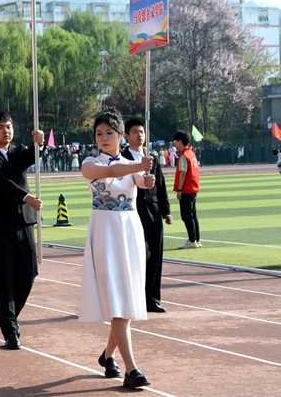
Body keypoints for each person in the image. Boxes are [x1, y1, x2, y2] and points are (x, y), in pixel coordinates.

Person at [80, 109, 155, 389]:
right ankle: (131, 370)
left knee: (127, 300)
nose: (104, 138)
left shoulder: (133, 164)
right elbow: (111, 171)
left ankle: (108, 355)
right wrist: (138, 166)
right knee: (117, 299)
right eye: (99, 133)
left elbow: (141, 182)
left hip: (129, 230)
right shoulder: (90, 163)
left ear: (121, 136)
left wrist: (147, 178)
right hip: (105, 232)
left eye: (109, 133)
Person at [0, 111, 44, 350]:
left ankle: (11, 317)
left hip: (23, 222)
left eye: (9, 126)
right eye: (0, 127)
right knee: (4, 279)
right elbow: (0, 182)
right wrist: (26, 197)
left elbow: (31, 156)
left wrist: (39, 144)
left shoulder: (18, 152)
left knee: (29, 272)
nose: (6, 130)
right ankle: (10, 331)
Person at [122, 119, 173, 313]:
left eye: (142, 132)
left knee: (155, 257)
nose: (139, 135)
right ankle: (132, 298)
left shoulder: (151, 159)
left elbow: (161, 186)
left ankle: (151, 299)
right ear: (126, 136)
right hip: (132, 213)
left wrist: (166, 211)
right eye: (135, 132)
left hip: (153, 214)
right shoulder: (122, 159)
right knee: (136, 257)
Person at [173, 130, 201, 249]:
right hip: (193, 188)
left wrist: (179, 190)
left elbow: (183, 173)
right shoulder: (191, 153)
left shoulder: (184, 155)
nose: (174, 143)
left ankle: (192, 240)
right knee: (193, 215)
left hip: (186, 189)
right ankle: (196, 239)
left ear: (180, 141)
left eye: (175, 141)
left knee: (187, 216)